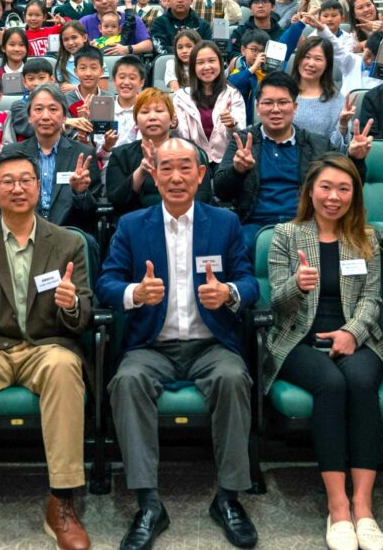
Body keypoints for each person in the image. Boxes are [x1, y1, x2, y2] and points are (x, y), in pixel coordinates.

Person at [97, 137, 261, 550]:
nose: (175, 177)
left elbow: (249, 281)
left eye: (185, 167)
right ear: (153, 173)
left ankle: (228, 498)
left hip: (211, 344)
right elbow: (107, 282)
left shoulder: (223, 223)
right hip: (152, 346)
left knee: (232, 378)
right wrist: (136, 292)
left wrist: (229, 293)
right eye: (166, 168)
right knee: (127, 382)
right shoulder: (133, 225)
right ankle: (148, 503)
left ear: (201, 174)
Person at [0, 149, 93, 550]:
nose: (17, 188)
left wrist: (71, 303)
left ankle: (61, 501)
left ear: (39, 187)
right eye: (7, 181)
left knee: (63, 366)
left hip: (46, 344)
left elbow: (86, 311)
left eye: (26, 179)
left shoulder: (67, 243)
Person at [265, 155, 383, 550]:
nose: (334, 196)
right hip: (298, 339)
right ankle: (338, 505)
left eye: (344, 189)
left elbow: (373, 298)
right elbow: (276, 304)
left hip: (355, 338)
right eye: (326, 187)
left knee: (359, 382)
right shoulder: (286, 235)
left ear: (354, 195)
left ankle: (364, 504)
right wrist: (297, 285)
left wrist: (351, 333)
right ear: (311, 190)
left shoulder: (366, 237)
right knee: (330, 384)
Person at [214, 72, 372, 252]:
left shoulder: (317, 143)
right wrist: (237, 170)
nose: (275, 109)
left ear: (295, 107)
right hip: (254, 225)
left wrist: (356, 159)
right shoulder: (243, 141)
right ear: (258, 107)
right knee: (237, 247)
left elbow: (349, 184)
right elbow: (221, 191)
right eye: (268, 103)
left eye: (283, 102)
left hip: (307, 223)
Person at [2, 83, 104, 228]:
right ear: (29, 117)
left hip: (68, 235)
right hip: (22, 230)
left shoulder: (83, 154)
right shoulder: (11, 154)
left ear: (64, 116)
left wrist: (80, 193)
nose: (45, 116)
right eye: (38, 109)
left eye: (53, 109)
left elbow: (92, 213)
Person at [105, 87, 215, 217]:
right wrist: (141, 171)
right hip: (138, 225)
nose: (152, 117)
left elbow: (203, 195)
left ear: (172, 119)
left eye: (159, 111)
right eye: (145, 112)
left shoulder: (190, 151)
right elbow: (116, 200)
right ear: (136, 121)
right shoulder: (121, 155)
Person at [173, 41, 245, 165]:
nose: (207, 67)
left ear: (220, 64)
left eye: (212, 61)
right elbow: (181, 137)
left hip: (227, 159)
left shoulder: (233, 95)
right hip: (192, 160)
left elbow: (240, 136)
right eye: (200, 63)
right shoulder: (181, 97)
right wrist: (173, 126)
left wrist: (232, 125)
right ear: (193, 67)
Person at [289, 36, 352, 150]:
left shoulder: (336, 99)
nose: (311, 63)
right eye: (306, 57)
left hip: (320, 162)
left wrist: (342, 126)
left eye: (318, 59)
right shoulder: (284, 92)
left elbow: (338, 150)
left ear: (327, 64)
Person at [80, 0, 153, 55]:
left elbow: (148, 45)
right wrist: (87, 47)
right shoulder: (84, 22)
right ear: (94, 5)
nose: (104, 1)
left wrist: (127, 49)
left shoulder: (133, 20)